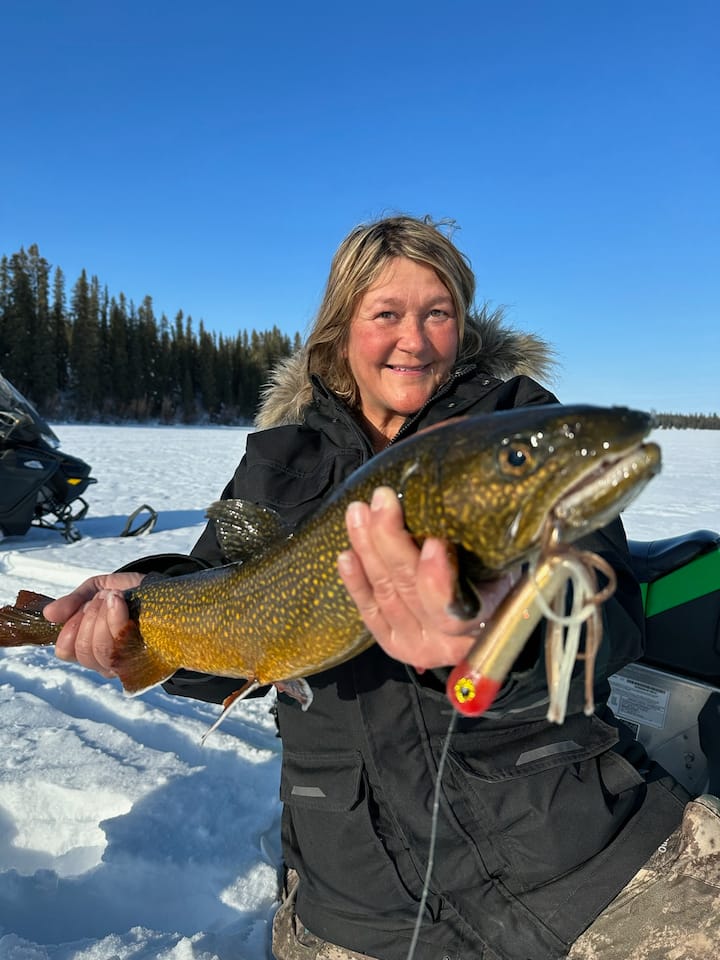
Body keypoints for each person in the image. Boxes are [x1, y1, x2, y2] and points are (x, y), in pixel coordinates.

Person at [45, 216, 719, 960]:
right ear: (340, 330)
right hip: (359, 896)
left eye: (438, 312)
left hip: (577, 853)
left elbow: (608, 616)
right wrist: (138, 614)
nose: (415, 340)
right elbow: (226, 616)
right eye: (386, 314)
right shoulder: (278, 463)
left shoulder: (515, 431)